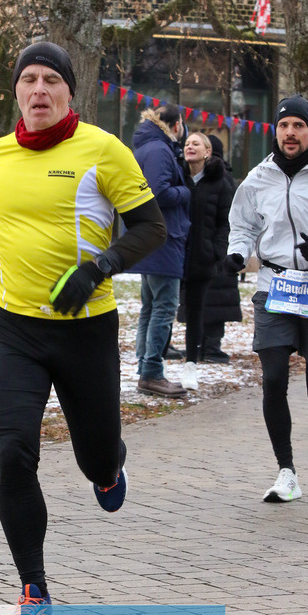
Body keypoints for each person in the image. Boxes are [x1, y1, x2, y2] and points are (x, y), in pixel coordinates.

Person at [0, 41, 166, 615]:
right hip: (17, 330)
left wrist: (99, 267)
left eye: (52, 79)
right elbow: (0, 215)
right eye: (29, 79)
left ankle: (109, 468)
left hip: (86, 331)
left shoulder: (104, 150)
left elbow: (151, 227)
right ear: (16, 91)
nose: (40, 90)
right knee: (13, 451)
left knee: (94, 458)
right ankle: (34, 592)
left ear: (69, 91)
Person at [226, 95, 308, 502]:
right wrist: (236, 252)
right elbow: (242, 224)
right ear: (275, 131)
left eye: (299, 125)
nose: (290, 133)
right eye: (284, 126)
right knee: (274, 379)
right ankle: (287, 472)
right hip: (275, 288)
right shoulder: (258, 177)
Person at [131, 104, 191, 398]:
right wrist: (186, 190)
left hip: (153, 239)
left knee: (150, 307)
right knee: (163, 308)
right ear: (176, 124)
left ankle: (146, 366)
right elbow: (158, 192)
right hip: (162, 239)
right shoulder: (159, 150)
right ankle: (152, 372)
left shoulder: (149, 146)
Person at [178, 131, 233, 390]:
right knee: (164, 308)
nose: (190, 146)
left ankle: (191, 364)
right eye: (187, 143)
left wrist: (216, 251)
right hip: (175, 256)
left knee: (195, 312)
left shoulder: (220, 182)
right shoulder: (177, 176)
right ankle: (155, 361)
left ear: (207, 152)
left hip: (202, 258)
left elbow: (225, 221)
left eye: (195, 143)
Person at [199, 134, 242, 362]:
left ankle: (204, 346)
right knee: (215, 303)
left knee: (208, 301)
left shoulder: (204, 176)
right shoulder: (223, 177)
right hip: (218, 248)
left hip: (209, 248)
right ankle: (210, 347)